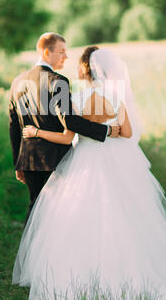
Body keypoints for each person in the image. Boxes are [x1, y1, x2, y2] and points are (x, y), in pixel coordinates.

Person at [11, 46, 166, 300]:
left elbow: (69, 133)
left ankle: (78, 277)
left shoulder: (79, 97)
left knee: (76, 216)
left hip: (83, 160)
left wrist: (37, 132)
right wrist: (113, 131)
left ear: (85, 69)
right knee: (124, 214)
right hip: (114, 159)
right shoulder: (116, 96)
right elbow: (128, 133)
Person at [8, 33, 121, 225]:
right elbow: (70, 122)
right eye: (61, 52)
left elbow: (14, 126)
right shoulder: (57, 80)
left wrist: (18, 162)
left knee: (35, 209)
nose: (65, 57)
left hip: (29, 159)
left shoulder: (17, 82)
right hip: (55, 159)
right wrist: (106, 131)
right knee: (56, 214)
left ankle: (31, 254)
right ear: (46, 52)